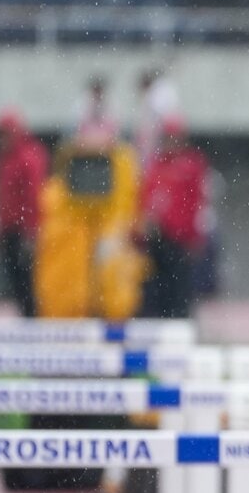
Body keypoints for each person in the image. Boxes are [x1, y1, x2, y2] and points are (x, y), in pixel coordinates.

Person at [138, 114, 208, 319]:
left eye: (174, 137)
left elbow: (198, 202)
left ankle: (179, 328)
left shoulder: (191, 165)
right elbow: (146, 197)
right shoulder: (157, 165)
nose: (171, 142)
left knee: (180, 290)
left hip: (181, 241)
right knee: (157, 290)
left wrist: (195, 237)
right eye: (167, 137)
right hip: (158, 238)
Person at [0, 108, 49, 317]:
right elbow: (3, 195)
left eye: (4, 133)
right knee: (15, 280)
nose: (1, 138)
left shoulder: (28, 157)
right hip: (9, 229)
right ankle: (26, 318)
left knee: (27, 281)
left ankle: (32, 321)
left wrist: (31, 231)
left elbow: (33, 197)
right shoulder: (5, 158)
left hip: (23, 231)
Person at [71, 74, 121, 149]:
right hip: (86, 139)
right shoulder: (83, 103)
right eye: (96, 90)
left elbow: (114, 127)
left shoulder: (111, 104)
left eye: (99, 90)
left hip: (106, 140)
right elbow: (78, 125)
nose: (97, 93)